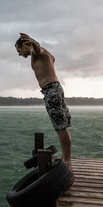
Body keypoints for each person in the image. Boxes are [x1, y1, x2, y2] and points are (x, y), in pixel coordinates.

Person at [15, 33, 72, 170]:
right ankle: (66, 156)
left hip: (52, 90)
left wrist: (33, 42)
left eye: (19, 50)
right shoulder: (45, 54)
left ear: (25, 45)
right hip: (52, 90)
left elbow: (38, 48)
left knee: (60, 126)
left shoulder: (38, 52)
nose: (19, 54)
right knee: (60, 126)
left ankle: (67, 160)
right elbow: (52, 58)